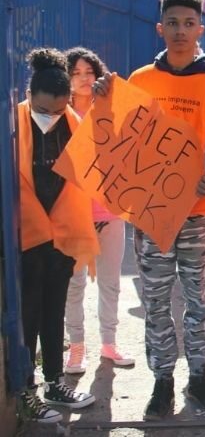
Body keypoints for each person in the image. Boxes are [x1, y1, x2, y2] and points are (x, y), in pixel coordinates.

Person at [93, 0, 205, 420]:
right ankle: (162, 382)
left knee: (198, 302)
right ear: (160, 28)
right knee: (156, 302)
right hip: (152, 216)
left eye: (189, 23)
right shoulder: (139, 82)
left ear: (201, 29)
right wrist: (101, 99)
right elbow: (117, 142)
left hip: (197, 216)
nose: (180, 30)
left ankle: (200, 378)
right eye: (172, 22)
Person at [16, 48, 98, 424]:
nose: (51, 117)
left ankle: (54, 382)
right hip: (25, 238)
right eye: (44, 110)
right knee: (27, 315)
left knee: (54, 312)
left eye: (59, 110)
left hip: (62, 236)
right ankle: (26, 392)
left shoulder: (74, 121)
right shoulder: (12, 122)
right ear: (30, 96)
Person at [63, 47, 135, 374]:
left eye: (88, 72)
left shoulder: (108, 106)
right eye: (76, 73)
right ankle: (76, 349)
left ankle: (109, 343)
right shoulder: (56, 113)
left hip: (110, 211)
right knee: (74, 283)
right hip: (73, 215)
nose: (82, 79)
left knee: (110, 282)